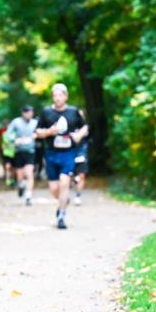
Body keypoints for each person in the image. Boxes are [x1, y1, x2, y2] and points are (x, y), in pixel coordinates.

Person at [35, 84, 88, 229]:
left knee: (64, 182)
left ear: (66, 96)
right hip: (51, 153)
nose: (58, 98)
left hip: (68, 153)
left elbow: (84, 126)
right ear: (53, 97)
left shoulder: (73, 111)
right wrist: (49, 132)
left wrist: (78, 135)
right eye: (55, 95)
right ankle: (63, 201)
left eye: (60, 95)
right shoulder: (46, 112)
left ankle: (61, 215)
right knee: (54, 189)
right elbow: (37, 132)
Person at [5, 105, 38, 205]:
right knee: (20, 175)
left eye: (31, 112)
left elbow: (40, 132)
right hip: (19, 151)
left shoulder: (35, 122)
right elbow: (8, 133)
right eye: (27, 112)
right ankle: (21, 185)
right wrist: (15, 140)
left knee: (29, 173)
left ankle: (28, 196)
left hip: (30, 151)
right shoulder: (16, 122)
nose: (29, 114)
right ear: (23, 113)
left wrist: (34, 137)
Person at [72, 109, 89, 205]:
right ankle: (74, 181)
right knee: (71, 177)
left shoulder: (85, 127)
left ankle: (78, 195)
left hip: (82, 154)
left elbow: (78, 138)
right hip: (70, 154)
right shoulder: (70, 126)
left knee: (81, 175)